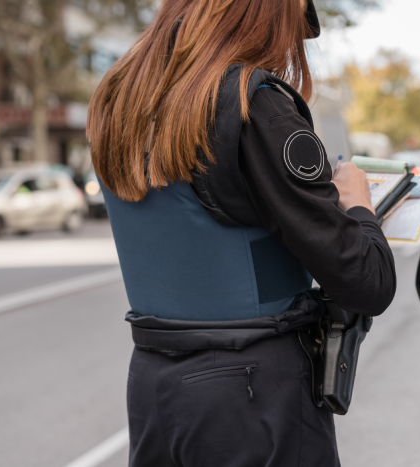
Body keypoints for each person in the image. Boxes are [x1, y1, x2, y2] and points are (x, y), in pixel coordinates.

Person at [86, 0, 396, 466]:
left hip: (153, 385)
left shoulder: (119, 100)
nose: (291, 44)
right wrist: (356, 203)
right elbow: (366, 282)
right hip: (251, 396)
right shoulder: (255, 104)